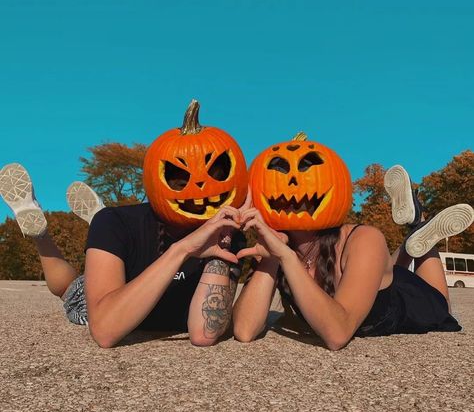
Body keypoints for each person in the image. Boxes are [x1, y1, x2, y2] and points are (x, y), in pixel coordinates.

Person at [233, 158, 473, 351]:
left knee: (442, 306)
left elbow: (337, 334)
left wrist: (286, 257)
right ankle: (413, 236)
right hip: (376, 279)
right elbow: (244, 330)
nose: (292, 187)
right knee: (388, 267)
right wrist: (272, 258)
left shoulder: (364, 238)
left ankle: (420, 225)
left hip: (412, 301)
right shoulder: (275, 247)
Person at [0, 162, 248, 348]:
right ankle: (40, 235)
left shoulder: (229, 236)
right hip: (115, 297)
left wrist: (225, 237)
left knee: (75, 280)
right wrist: (183, 249)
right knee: (70, 289)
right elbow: (106, 331)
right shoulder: (122, 223)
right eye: (184, 183)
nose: (199, 191)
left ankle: (98, 231)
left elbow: (204, 333)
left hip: (123, 248)